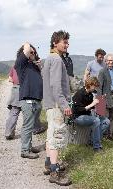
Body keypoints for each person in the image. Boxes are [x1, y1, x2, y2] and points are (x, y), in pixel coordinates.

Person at [42, 30, 72, 186]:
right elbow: (55, 85)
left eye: (67, 42)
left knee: (50, 135)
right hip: (56, 105)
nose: (67, 45)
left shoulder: (49, 58)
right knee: (57, 137)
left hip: (49, 104)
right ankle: (54, 173)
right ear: (55, 43)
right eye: (64, 42)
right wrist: (64, 104)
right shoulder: (57, 60)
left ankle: (48, 164)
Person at [14, 43, 43, 159]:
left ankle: (29, 147)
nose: (33, 53)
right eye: (31, 52)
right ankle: (25, 150)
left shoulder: (34, 66)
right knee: (27, 125)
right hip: (28, 99)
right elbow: (26, 46)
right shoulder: (21, 63)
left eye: (35, 52)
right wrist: (28, 46)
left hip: (36, 99)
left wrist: (39, 65)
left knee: (30, 126)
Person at [5, 65, 46, 140]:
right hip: (26, 90)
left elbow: (10, 79)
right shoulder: (31, 66)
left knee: (14, 111)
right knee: (32, 111)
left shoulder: (15, 65)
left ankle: (8, 132)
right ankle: (36, 128)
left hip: (15, 90)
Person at [72, 77, 110, 152]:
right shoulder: (79, 94)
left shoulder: (90, 94)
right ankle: (97, 147)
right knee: (96, 121)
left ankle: (92, 141)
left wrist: (99, 101)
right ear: (90, 85)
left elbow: (91, 107)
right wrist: (92, 104)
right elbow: (78, 109)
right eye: (94, 86)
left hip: (87, 115)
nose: (95, 88)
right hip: (78, 117)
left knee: (106, 121)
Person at [97, 54, 113, 140]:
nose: (110, 62)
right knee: (105, 118)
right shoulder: (102, 71)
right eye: (109, 60)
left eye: (112, 60)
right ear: (105, 61)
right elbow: (99, 87)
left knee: (112, 117)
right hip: (105, 97)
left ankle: (110, 135)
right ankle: (102, 136)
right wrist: (100, 101)